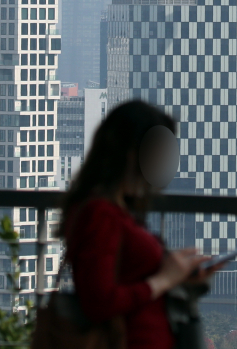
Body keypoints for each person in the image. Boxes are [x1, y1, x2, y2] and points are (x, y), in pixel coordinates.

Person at [62, 100, 220, 349]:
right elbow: (99, 301)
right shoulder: (100, 214)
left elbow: (128, 280)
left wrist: (178, 277)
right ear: (132, 152)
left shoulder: (116, 211)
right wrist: (165, 279)